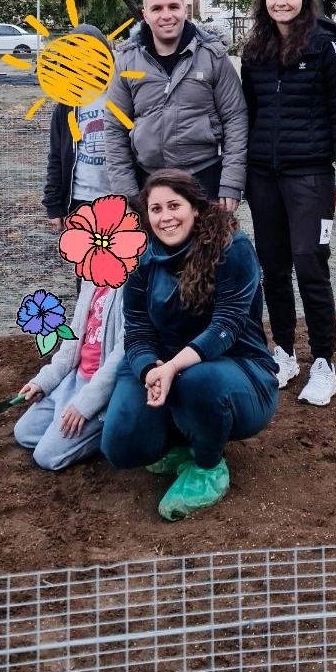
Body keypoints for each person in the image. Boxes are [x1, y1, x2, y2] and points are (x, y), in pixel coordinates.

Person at [101, 168, 278, 521]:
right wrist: (150, 369)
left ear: (195, 207)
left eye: (174, 205)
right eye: (155, 209)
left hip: (236, 369)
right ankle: (185, 439)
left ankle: (208, 466)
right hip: (164, 367)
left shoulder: (233, 248)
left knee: (197, 381)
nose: (165, 217)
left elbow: (225, 327)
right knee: (121, 448)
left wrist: (172, 367)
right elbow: (136, 331)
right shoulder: (141, 256)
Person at [239, 0, 336, 407]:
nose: (281, 2)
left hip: (310, 177)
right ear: (264, 1)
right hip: (262, 178)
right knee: (272, 268)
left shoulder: (328, 46)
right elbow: (244, 116)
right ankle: (284, 353)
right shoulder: (255, 49)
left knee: (310, 263)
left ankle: (324, 362)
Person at [104, 0, 248, 212]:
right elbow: (114, 128)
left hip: (204, 178)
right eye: (157, 9)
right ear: (145, 15)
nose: (166, 15)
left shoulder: (213, 56)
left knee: (210, 247)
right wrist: (127, 193)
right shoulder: (127, 61)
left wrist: (231, 183)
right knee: (154, 249)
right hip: (148, 180)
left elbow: (235, 119)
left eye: (173, 7)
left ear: (185, 10)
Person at [13, 278, 125, 471]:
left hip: (100, 391)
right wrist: (45, 381)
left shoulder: (131, 281)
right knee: (23, 433)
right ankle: (66, 433)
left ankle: (109, 433)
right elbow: (73, 338)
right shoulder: (92, 278)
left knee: (46, 456)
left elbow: (122, 353)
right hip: (74, 380)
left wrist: (86, 405)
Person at [43, 24, 115, 231]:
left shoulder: (121, 96)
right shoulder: (66, 105)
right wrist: (54, 205)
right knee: (85, 261)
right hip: (79, 199)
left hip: (120, 198)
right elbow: (56, 157)